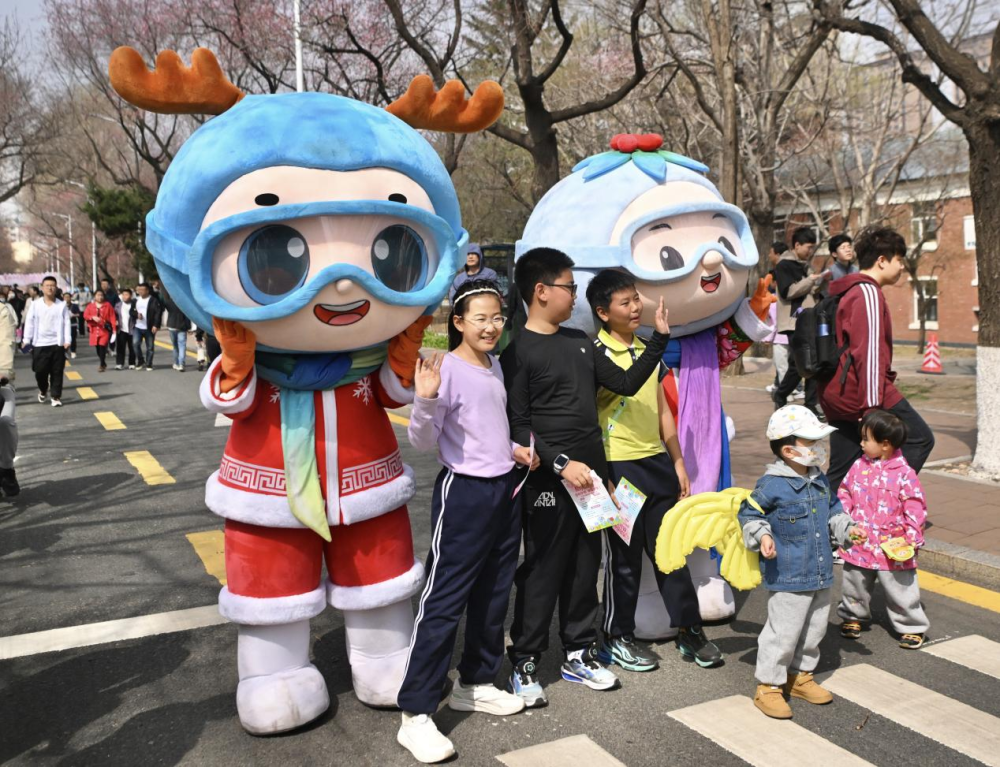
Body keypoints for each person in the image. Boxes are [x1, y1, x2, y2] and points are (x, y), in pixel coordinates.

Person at [500, 248, 670, 707]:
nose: (574, 295)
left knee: (583, 569)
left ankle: (579, 652)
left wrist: (658, 340)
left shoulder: (580, 341)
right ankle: (526, 660)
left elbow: (626, 383)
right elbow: (517, 424)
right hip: (548, 483)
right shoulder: (517, 351)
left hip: (593, 481)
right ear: (541, 291)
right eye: (569, 287)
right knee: (543, 571)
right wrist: (559, 464)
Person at [396, 279, 537, 763]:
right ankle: (416, 713)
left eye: (497, 317)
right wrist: (425, 400)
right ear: (458, 322)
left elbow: (482, 428)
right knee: (444, 599)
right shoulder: (446, 369)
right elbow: (422, 441)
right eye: (480, 318)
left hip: (504, 488)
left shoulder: (493, 364)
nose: (491, 326)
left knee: (494, 592)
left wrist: (513, 450)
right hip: (464, 495)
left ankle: (475, 682)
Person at [585, 270, 723, 673]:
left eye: (636, 299)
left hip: (656, 465)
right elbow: (588, 421)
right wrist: (604, 478)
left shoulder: (648, 350)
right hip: (619, 468)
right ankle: (617, 636)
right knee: (624, 560)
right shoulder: (593, 353)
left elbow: (663, 411)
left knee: (670, 551)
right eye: (625, 302)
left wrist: (677, 461)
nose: (635, 308)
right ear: (602, 312)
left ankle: (690, 630)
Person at [737, 405, 862, 719]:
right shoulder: (772, 485)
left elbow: (834, 511)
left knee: (814, 629)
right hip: (789, 574)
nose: (819, 448)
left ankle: (800, 676)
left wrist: (848, 530)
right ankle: (769, 686)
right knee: (783, 633)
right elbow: (749, 515)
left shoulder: (819, 480)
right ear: (789, 450)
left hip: (820, 572)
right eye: (812, 442)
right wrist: (763, 536)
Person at [819, 226, 935, 490]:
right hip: (863, 393)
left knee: (842, 469)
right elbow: (867, 354)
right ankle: (878, 498)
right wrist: (871, 409)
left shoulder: (847, 289)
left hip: (838, 392)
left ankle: (825, 511)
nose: (902, 266)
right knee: (919, 439)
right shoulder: (867, 293)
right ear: (882, 260)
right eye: (899, 259)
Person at [836, 409, 930, 649]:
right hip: (860, 541)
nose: (861, 443)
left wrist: (912, 536)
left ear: (885, 444)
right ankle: (852, 615)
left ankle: (911, 626)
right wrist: (845, 521)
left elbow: (915, 507)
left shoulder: (905, 474)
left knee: (901, 588)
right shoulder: (858, 466)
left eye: (866, 439)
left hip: (894, 545)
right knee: (854, 582)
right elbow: (845, 492)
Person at [772, 227, 825, 416]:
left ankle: (811, 403)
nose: (810, 251)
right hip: (794, 321)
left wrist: (820, 282)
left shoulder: (804, 265)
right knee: (798, 364)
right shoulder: (784, 265)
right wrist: (809, 280)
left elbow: (809, 291)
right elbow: (788, 292)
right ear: (797, 245)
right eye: (808, 247)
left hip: (809, 319)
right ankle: (781, 394)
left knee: (814, 361)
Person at [22, 276, 72, 407]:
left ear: (56, 288)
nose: (50, 288)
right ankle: (43, 389)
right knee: (40, 372)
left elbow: (67, 323)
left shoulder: (61, 305)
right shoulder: (35, 305)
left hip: (57, 343)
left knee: (57, 371)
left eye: (52, 285)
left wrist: (67, 340)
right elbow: (29, 322)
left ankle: (56, 396)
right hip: (39, 344)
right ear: (42, 288)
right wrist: (26, 340)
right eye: (47, 285)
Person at [0, 288, 19, 496]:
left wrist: (3, 371)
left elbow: (6, 342)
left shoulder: (2, 311)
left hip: (1, 382)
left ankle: (6, 468)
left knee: (4, 422)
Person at [83, 290, 117, 372]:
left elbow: (112, 317)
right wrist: (92, 317)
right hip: (94, 330)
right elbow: (85, 315)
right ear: (94, 296)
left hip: (104, 330)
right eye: (98, 295)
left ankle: (101, 364)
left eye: (101, 295)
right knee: (97, 347)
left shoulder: (108, 305)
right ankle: (103, 362)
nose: (100, 297)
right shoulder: (90, 306)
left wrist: (114, 329)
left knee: (102, 346)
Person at [132, 282, 162, 371]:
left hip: (149, 327)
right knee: (135, 343)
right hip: (138, 326)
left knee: (150, 347)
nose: (140, 291)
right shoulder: (136, 300)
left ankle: (149, 363)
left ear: (147, 290)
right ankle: (141, 360)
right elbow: (131, 312)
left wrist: (155, 325)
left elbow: (158, 313)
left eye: (142, 290)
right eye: (139, 290)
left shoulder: (153, 300)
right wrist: (136, 315)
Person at [162, 288, 191, 371]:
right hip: (182, 326)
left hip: (172, 326)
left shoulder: (169, 302)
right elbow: (188, 316)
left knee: (175, 346)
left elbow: (162, 303)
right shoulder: (185, 303)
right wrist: (189, 326)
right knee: (182, 345)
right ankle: (181, 364)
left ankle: (176, 363)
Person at [114, 288, 137, 370]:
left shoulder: (135, 305)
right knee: (120, 347)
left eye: (126, 294)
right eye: (123, 295)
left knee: (132, 347)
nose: (124, 296)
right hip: (121, 329)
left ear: (131, 295)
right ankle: (119, 363)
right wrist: (115, 320)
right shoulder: (118, 305)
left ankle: (132, 363)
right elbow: (114, 315)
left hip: (132, 329)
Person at [65, 292, 81, 359]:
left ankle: (73, 351)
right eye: (65, 297)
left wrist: (73, 315)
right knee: (65, 339)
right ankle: (65, 351)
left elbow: (79, 314)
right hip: (64, 325)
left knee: (73, 339)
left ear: (70, 298)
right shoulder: (61, 305)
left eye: (68, 297)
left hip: (73, 324)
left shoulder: (74, 306)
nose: (66, 298)